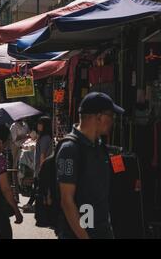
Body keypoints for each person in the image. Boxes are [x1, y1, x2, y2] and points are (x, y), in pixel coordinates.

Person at [56, 92, 124, 239]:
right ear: (99, 117)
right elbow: (67, 201)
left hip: (102, 230)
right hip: (78, 234)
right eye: (111, 116)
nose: (113, 121)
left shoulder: (100, 147)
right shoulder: (70, 149)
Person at [23, 116, 53, 212]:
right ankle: (33, 204)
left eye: (40, 123)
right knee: (37, 187)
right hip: (40, 167)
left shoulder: (45, 138)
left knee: (38, 187)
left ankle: (32, 204)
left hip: (42, 167)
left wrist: (41, 168)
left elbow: (43, 154)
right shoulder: (42, 137)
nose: (38, 125)